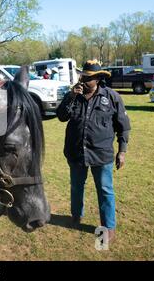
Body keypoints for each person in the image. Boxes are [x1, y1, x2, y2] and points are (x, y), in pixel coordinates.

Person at [56, 60, 131, 244]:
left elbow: (124, 126)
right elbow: (61, 116)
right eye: (83, 76)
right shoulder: (74, 95)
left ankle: (108, 228)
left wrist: (122, 151)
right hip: (76, 153)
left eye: (88, 78)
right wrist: (70, 97)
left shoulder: (112, 97)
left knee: (105, 190)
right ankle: (76, 216)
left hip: (101, 154)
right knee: (76, 187)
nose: (83, 80)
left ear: (97, 79)